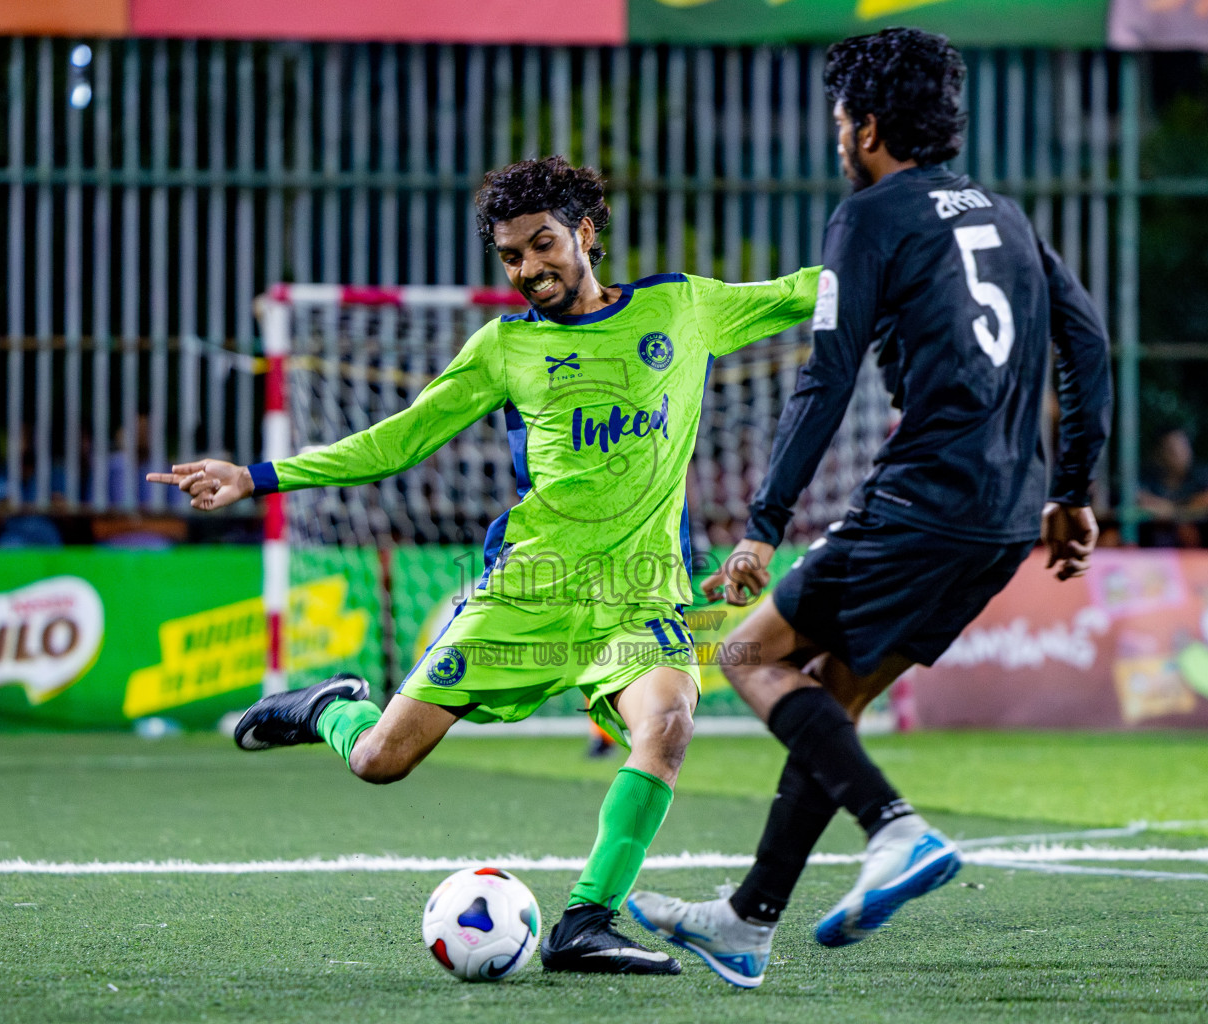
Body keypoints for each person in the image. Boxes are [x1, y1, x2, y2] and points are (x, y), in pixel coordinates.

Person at [147, 156, 820, 976]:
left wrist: (919, 258)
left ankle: (583, 922)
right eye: (511, 256)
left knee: (668, 723)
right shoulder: (503, 348)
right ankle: (329, 709)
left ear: (586, 233)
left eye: (542, 245)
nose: (528, 269)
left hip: (636, 596)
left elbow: (806, 290)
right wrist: (257, 475)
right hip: (528, 590)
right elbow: (399, 438)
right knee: (380, 761)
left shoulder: (682, 306)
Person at [627, 29, 1111, 988]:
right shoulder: (1008, 216)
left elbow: (827, 378)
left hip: (924, 496)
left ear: (869, 126)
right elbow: (1088, 345)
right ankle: (749, 919)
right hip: (1008, 517)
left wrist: (764, 520)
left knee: (748, 655)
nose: (835, 138)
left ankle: (896, 830)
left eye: (840, 121)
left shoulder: (869, 215)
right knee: (832, 696)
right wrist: (1072, 491)